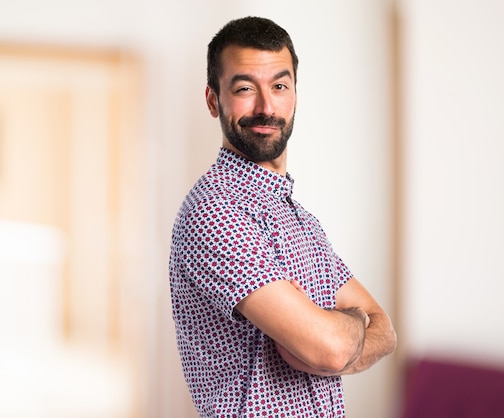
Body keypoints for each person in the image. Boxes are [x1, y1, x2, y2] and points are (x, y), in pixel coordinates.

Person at [169, 16, 397, 417]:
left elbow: (386, 331)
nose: (266, 106)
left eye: (279, 85)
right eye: (244, 88)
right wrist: (349, 326)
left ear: (294, 94)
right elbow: (330, 348)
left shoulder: (301, 220)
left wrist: (344, 327)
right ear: (212, 100)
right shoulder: (215, 211)